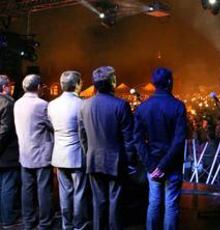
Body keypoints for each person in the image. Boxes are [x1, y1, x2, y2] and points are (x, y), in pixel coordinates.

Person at [79, 66, 135, 230]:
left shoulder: (84, 105)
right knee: (115, 201)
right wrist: (131, 162)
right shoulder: (121, 105)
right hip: (115, 161)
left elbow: (82, 136)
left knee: (98, 201)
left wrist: (88, 153)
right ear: (112, 83)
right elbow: (128, 139)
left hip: (93, 159)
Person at [134, 67, 187, 230]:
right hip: (172, 164)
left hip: (153, 164)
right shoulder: (178, 106)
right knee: (171, 205)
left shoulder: (143, 108)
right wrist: (163, 166)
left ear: (154, 84)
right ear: (170, 82)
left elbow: (137, 140)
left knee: (154, 203)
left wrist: (152, 166)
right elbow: (178, 141)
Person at [48, 71, 90, 229]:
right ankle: (79, 225)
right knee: (79, 192)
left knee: (64, 193)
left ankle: (67, 225)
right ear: (78, 84)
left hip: (59, 155)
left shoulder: (52, 105)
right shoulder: (83, 104)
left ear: (61, 85)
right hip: (78, 155)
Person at [14, 74, 54, 230]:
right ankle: (44, 223)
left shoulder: (17, 103)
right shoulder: (42, 104)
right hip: (42, 153)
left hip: (24, 153)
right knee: (44, 189)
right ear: (38, 87)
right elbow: (52, 125)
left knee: (27, 189)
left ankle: (28, 222)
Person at [0, 75, 20, 228]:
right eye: (9, 86)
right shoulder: (7, 103)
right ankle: (7, 218)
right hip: (6, 153)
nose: (11, 88)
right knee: (8, 186)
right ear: (4, 87)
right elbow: (6, 129)